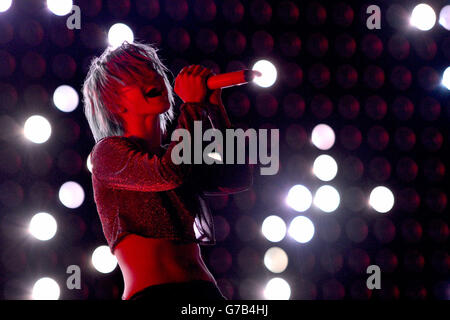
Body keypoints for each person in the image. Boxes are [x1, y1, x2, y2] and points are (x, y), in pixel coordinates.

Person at [82, 41, 253, 300]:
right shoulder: (107, 154)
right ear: (114, 102)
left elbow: (235, 177)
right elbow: (169, 172)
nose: (151, 77)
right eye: (133, 75)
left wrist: (215, 109)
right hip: (154, 295)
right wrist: (194, 106)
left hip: (205, 293)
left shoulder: (174, 152)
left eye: (152, 69)